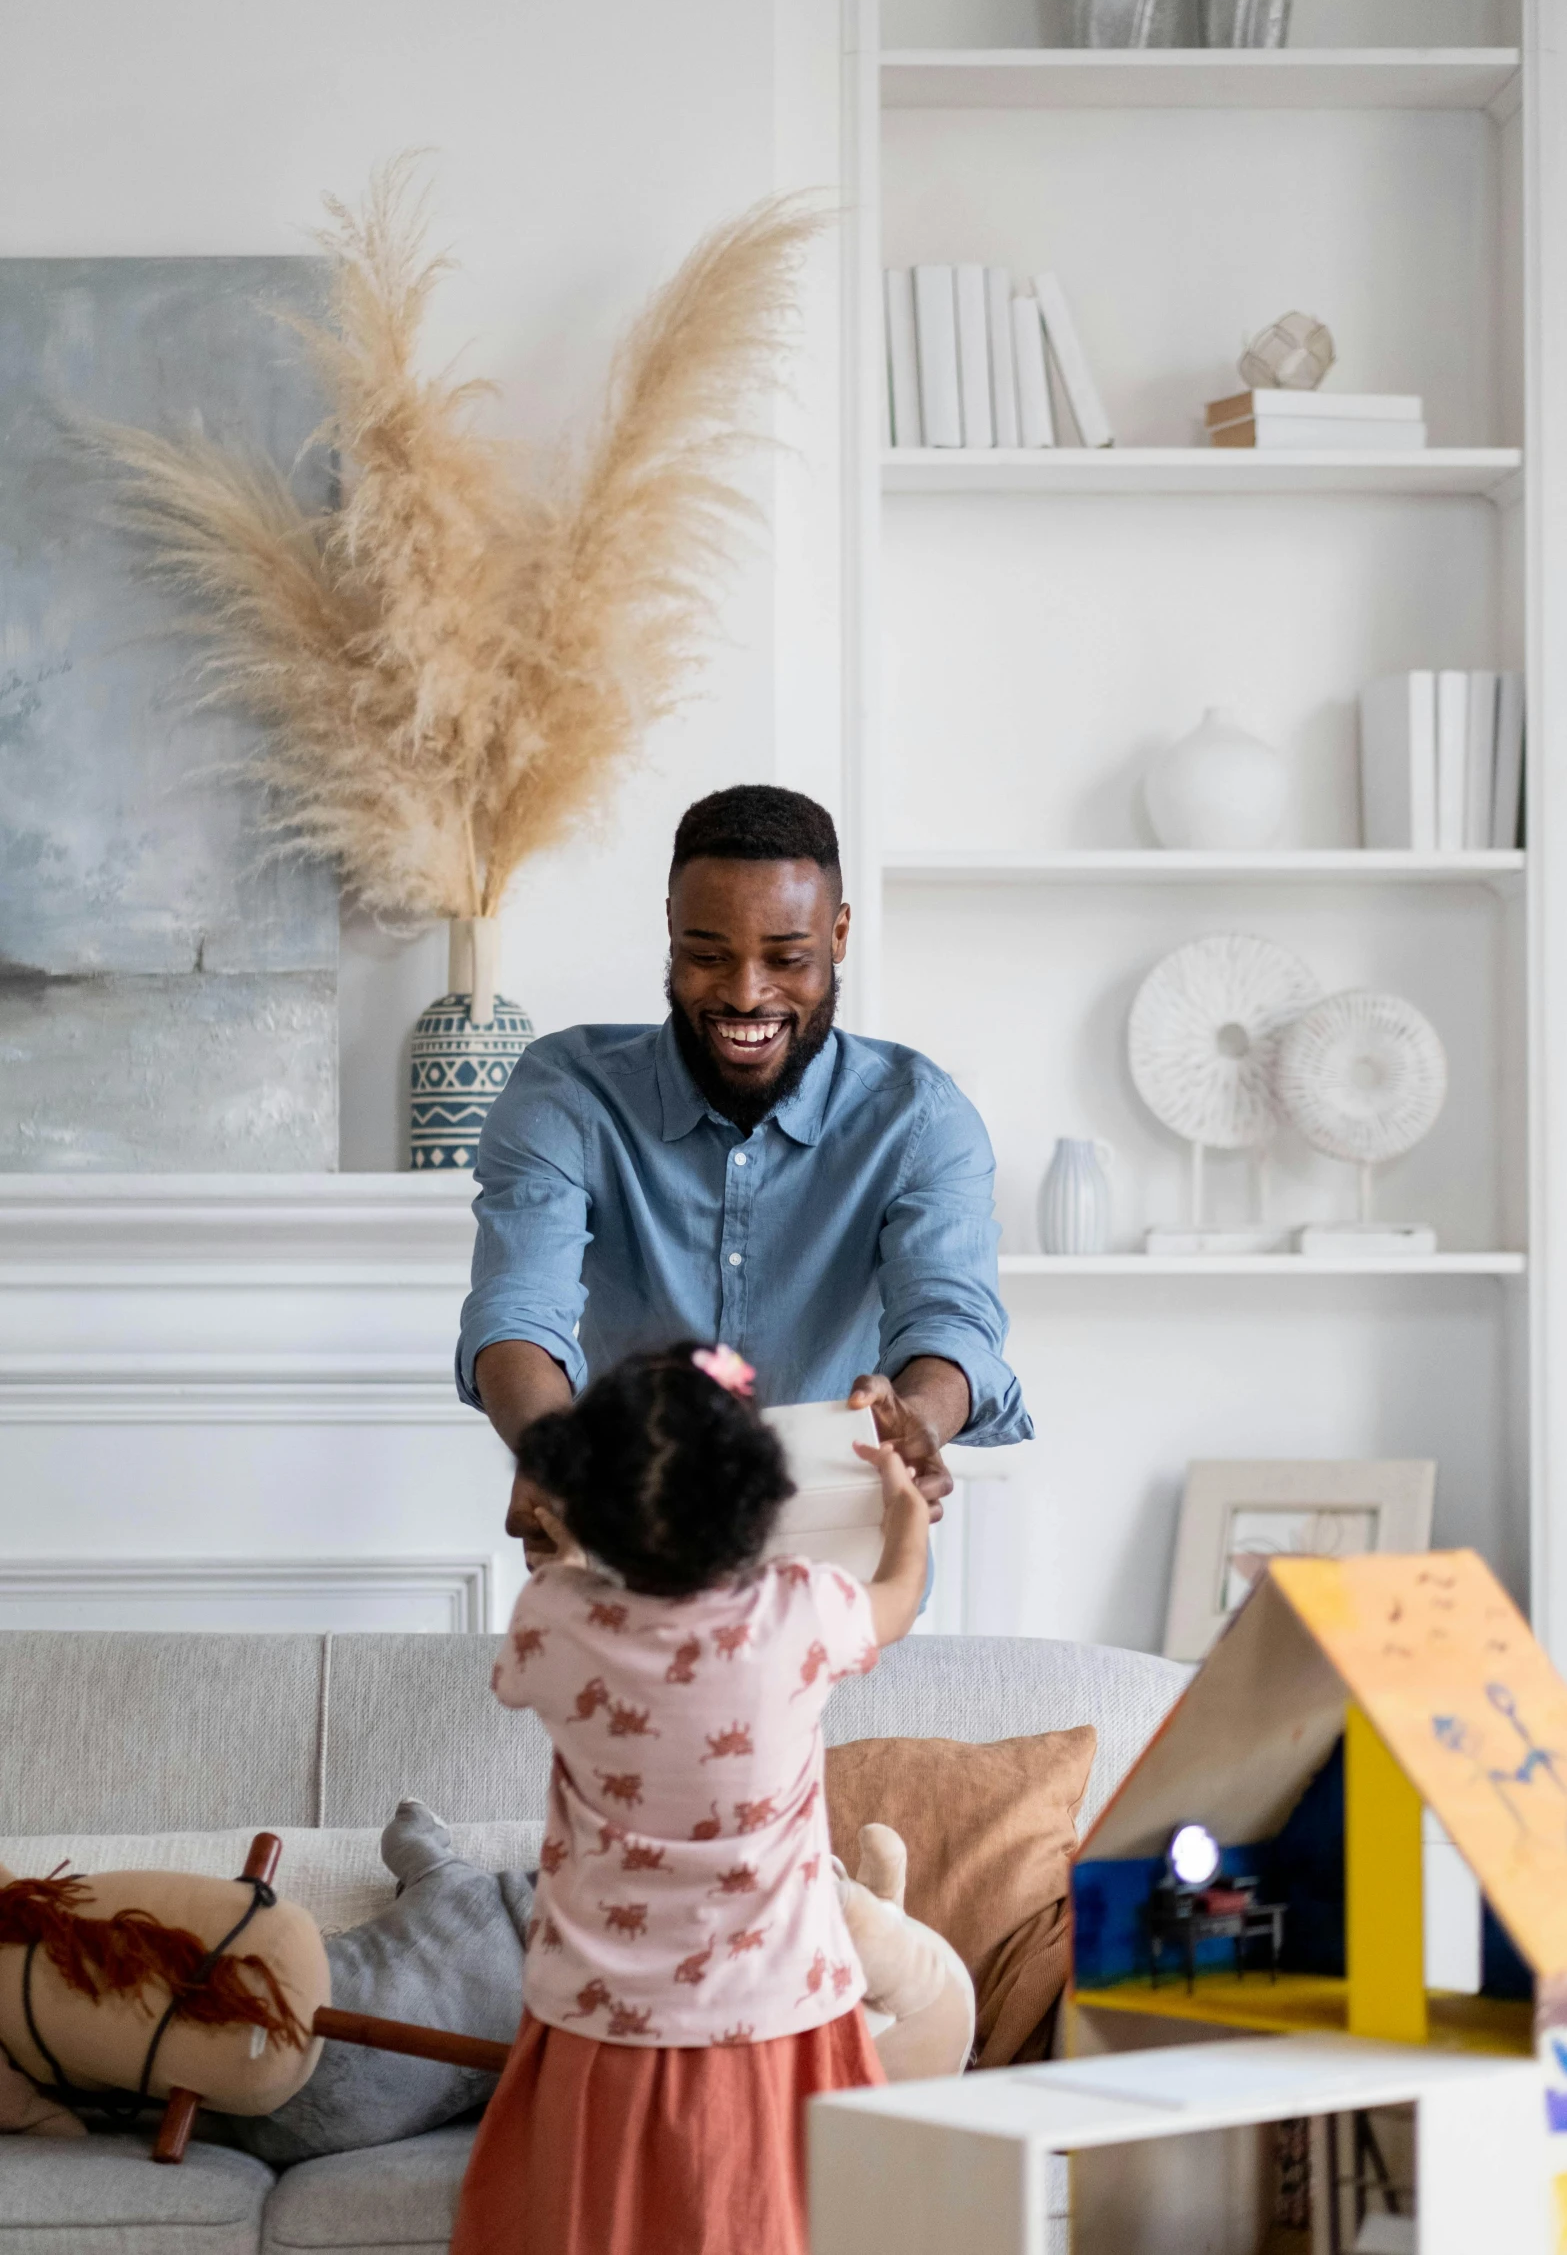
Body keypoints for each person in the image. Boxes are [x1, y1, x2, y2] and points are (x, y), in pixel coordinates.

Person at [448, 1339, 931, 2255]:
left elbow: (572, 1610)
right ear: (761, 1502)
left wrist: (582, 1545)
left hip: (598, 2021)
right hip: (779, 2016)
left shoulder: (552, 1619)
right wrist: (905, 1511)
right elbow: (898, 1597)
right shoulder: (803, 1610)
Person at [458, 785, 1030, 1558]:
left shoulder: (918, 1117)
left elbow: (950, 1316)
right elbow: (518, 1307)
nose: (744, 993)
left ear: (839, 934)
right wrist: (549, 1450)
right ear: (668, 929)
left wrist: (922, 1416)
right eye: (706, 956)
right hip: (629, 1568)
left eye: (787, 958)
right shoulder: (566, 1093)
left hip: (839, 1579)